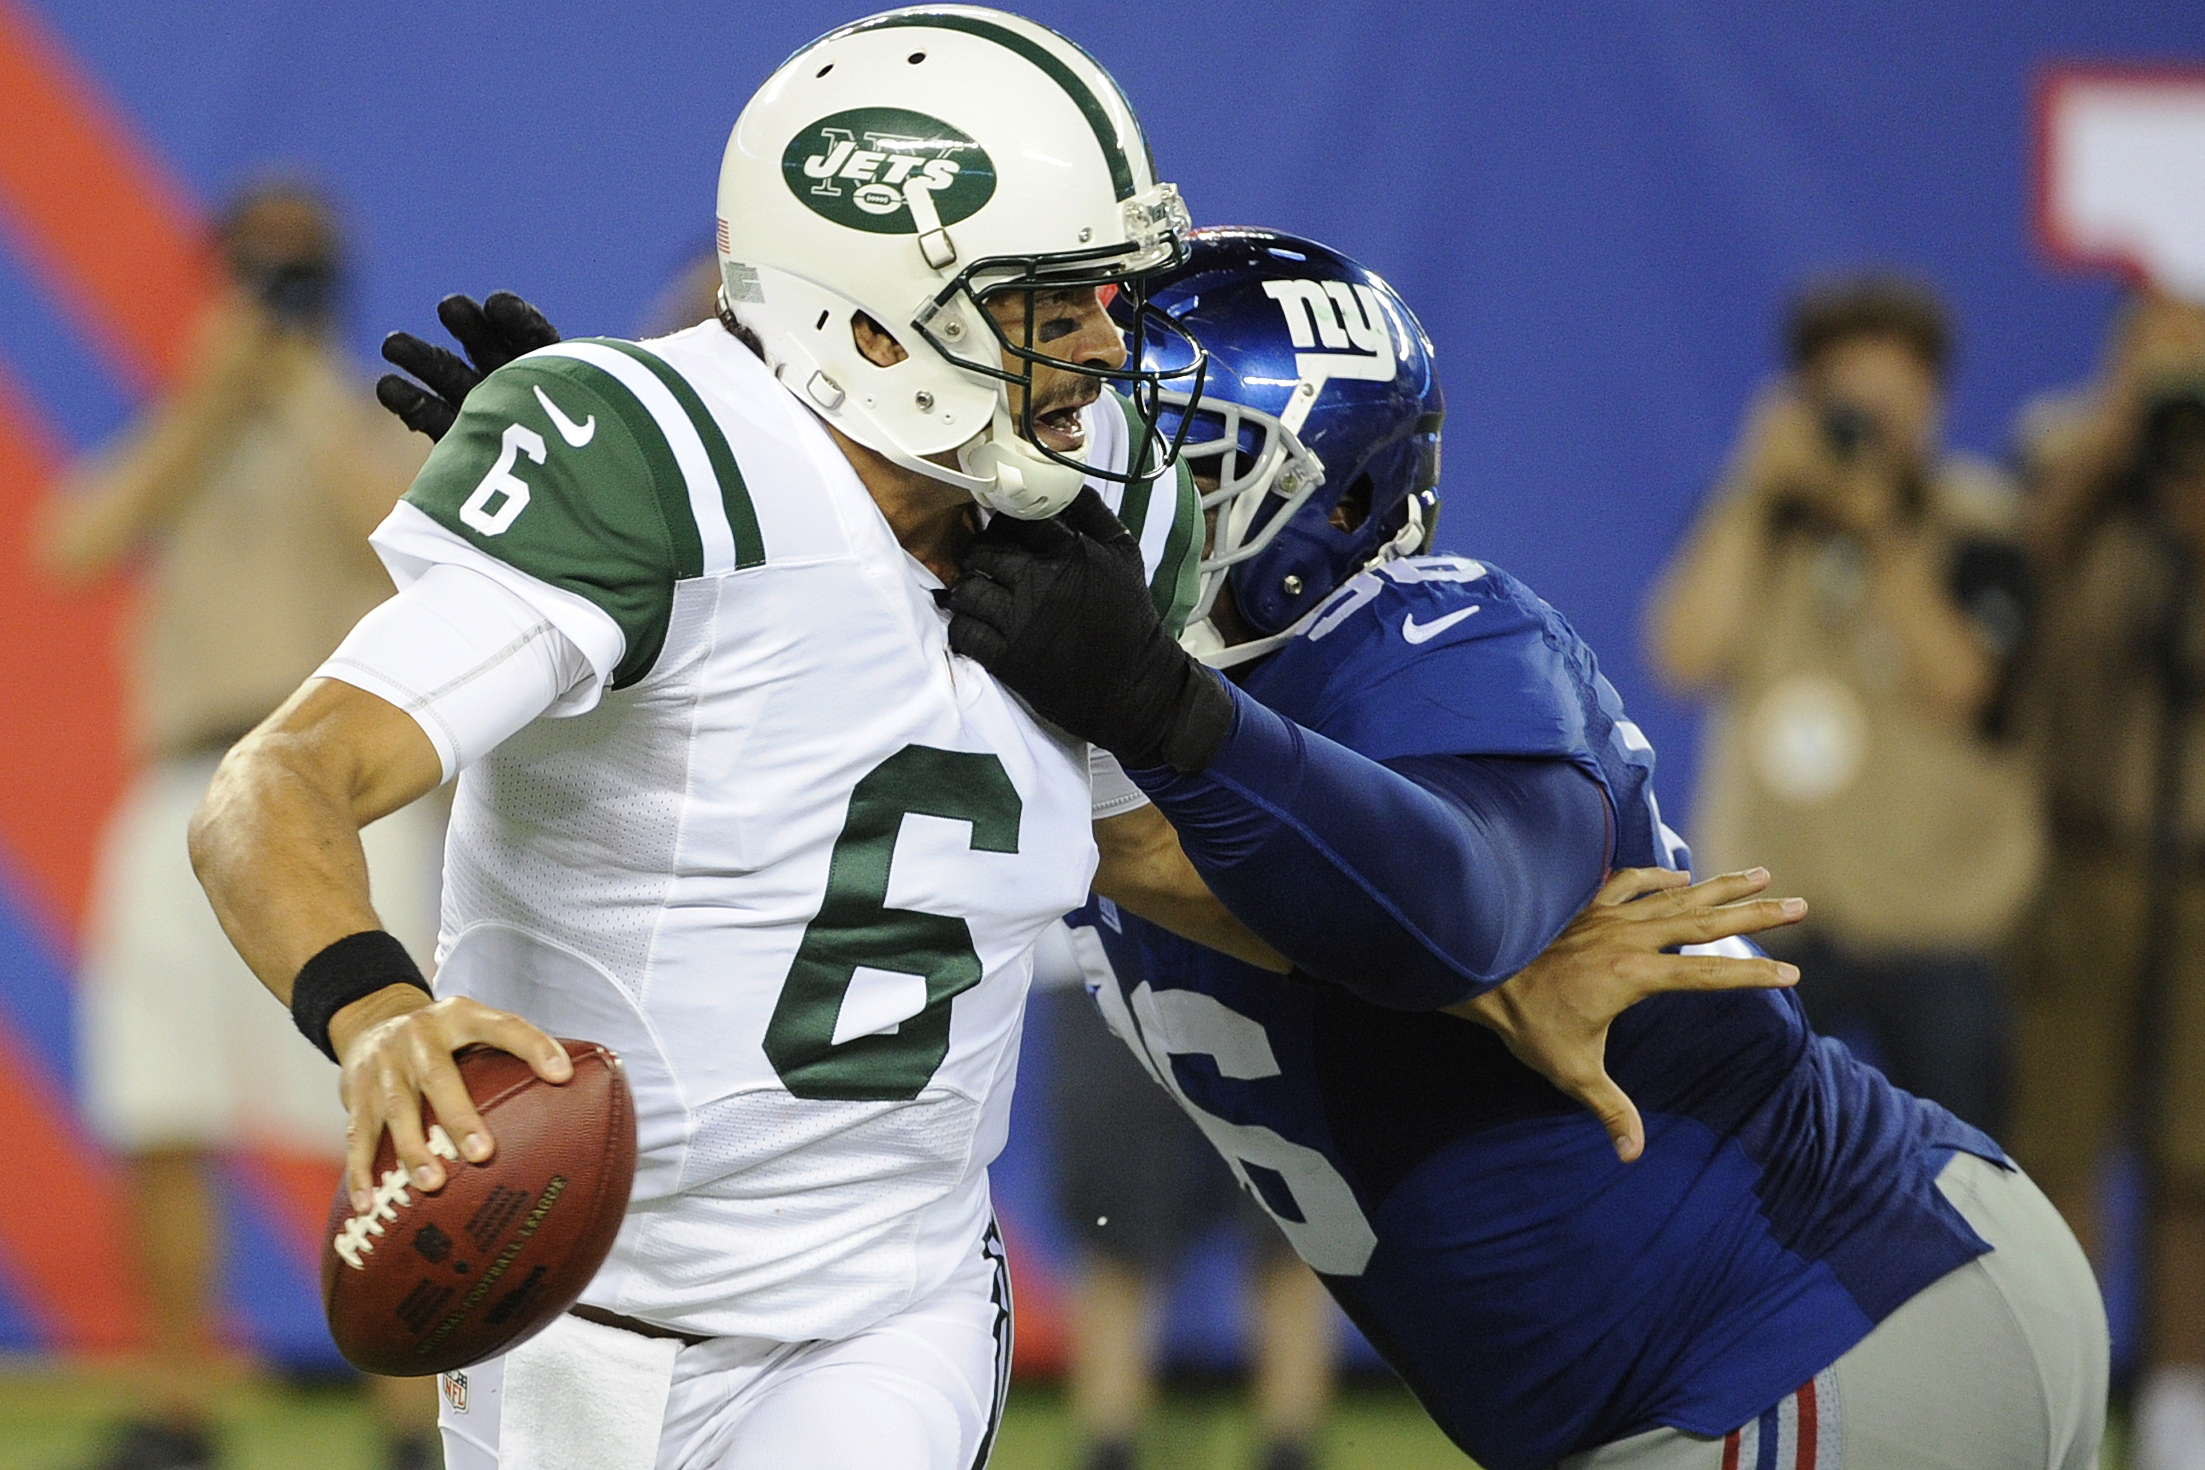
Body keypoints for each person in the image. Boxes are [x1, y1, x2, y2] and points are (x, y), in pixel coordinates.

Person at [186, 13, 1233, 1470]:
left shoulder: (1119, 513)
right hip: (560, 1303)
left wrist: (1487, 949)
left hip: (888, 1308)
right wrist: (375, 1013)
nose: (1103, 350)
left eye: (1104, 298)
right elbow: (271, 785)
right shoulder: (655, 464)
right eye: (1047, 308)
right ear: (875, 320)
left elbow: (1172, 854)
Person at [941, 228, 2110, 1469]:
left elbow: (1454, 900)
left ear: (1328, 499)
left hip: (1814, 1320)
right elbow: (1209, 867)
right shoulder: (1077, 730)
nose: (1089, 471)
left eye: (1166, 446)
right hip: (1715, 1363)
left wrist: (1159, 713)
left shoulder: (1430, 639)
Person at [35, 183, 444, 1470]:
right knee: (161, 1103)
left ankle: (413, 1415)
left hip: (350, 796)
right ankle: (178, 1403)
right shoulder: (183, 426)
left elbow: (413, 548)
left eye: (297, 276)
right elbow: (76, 540)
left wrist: (307, 389)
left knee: (394, 1095)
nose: (273, 295)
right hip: (184, 792)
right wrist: (215, 396)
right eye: (257, 272)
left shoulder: (377, 423)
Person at [1644, 276, 2040, 1136]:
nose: (1872, 429)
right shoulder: (1759, 520)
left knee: (1967, 1173)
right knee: (1742, 1159)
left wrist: (1879, 532)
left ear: (1934, 404)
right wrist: (1752, 487)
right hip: (1779, 915)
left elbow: (1962, 686)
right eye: (1848, 402)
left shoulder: (1978, 519)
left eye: (1895, 403)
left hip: (1931, 926)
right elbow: (1680, 655)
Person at [2010, 288, 2205, 1470]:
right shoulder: (2060, 451)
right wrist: (2121, 442)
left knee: (2197, 1165)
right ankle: (2067, 1406)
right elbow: (2012, 568)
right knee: (2062, 1150)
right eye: (2153, 358)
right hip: (2085, 857)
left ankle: (2182, 1426)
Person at [1034, 916, 1336, 1470]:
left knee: (1299, 1207)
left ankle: (1291, 1446)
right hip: (1096, 950)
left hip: (1261, 941)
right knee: (1114, 1218)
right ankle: (1108, 1445)